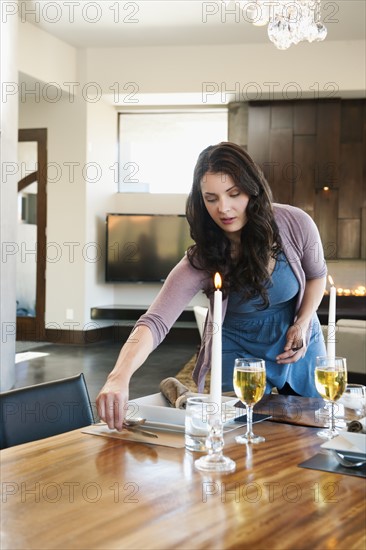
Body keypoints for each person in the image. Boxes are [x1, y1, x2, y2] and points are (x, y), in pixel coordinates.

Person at [97, 142, 327, 430]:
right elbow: (155, 321)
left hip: (297, 339)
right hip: (236, 347)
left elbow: (317, 275)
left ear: (252, 190)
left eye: (234, 194)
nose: (224, 208)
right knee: (239, 435)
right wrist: (119, 376)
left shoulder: (296, 223)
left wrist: (303, 322)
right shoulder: (202, 257)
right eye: (211, 198)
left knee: (314, 432)